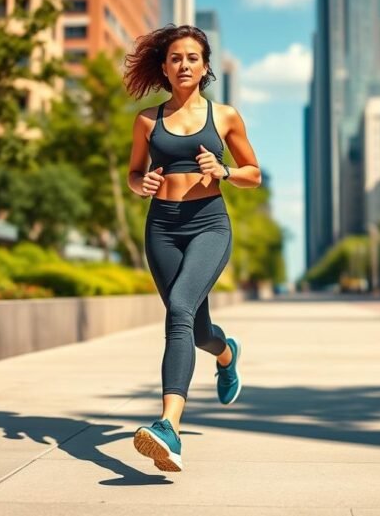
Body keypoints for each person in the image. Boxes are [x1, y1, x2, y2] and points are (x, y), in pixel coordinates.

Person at [123, 24, 261, 472]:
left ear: (205, 67)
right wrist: (140, 184)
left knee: (178, 309)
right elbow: (133, 174)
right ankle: (226, 353)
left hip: (208, 225)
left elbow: (253, 173)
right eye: (176, 58)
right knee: (197, 329)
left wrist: (223, 171)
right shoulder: (147, 121)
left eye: (193, 58)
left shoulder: (224, 117)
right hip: (161, 228)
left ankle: (169, 427)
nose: (184, 65)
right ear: (164, 67)